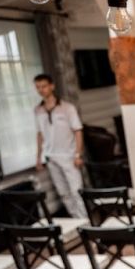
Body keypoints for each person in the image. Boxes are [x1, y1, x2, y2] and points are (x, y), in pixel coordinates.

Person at [33, 74, 88, 219]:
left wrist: (78, 154)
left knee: (77, 192)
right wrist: (38, 157)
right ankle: (77, 222)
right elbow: (40, 134)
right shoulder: (38, 110)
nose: (41, 90)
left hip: (69, 156)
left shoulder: (67, 108)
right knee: (64, 194)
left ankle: (86, 224)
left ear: (52, 86)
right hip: (51, 157)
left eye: (44, 86)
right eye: (38, 87)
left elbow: (78, 131)